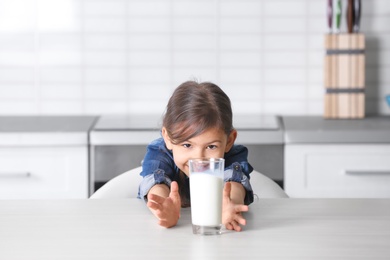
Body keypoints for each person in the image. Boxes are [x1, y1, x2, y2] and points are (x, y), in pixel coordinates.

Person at [137, 81, 254, 232]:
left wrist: (230, 204)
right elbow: (156, 183)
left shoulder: (232, 155)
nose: (199, 159)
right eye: (187, 145)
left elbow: (234, 183)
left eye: (211, 146)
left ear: (229, 140)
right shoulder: (159, 152)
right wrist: (164, 210)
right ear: (168, 138)